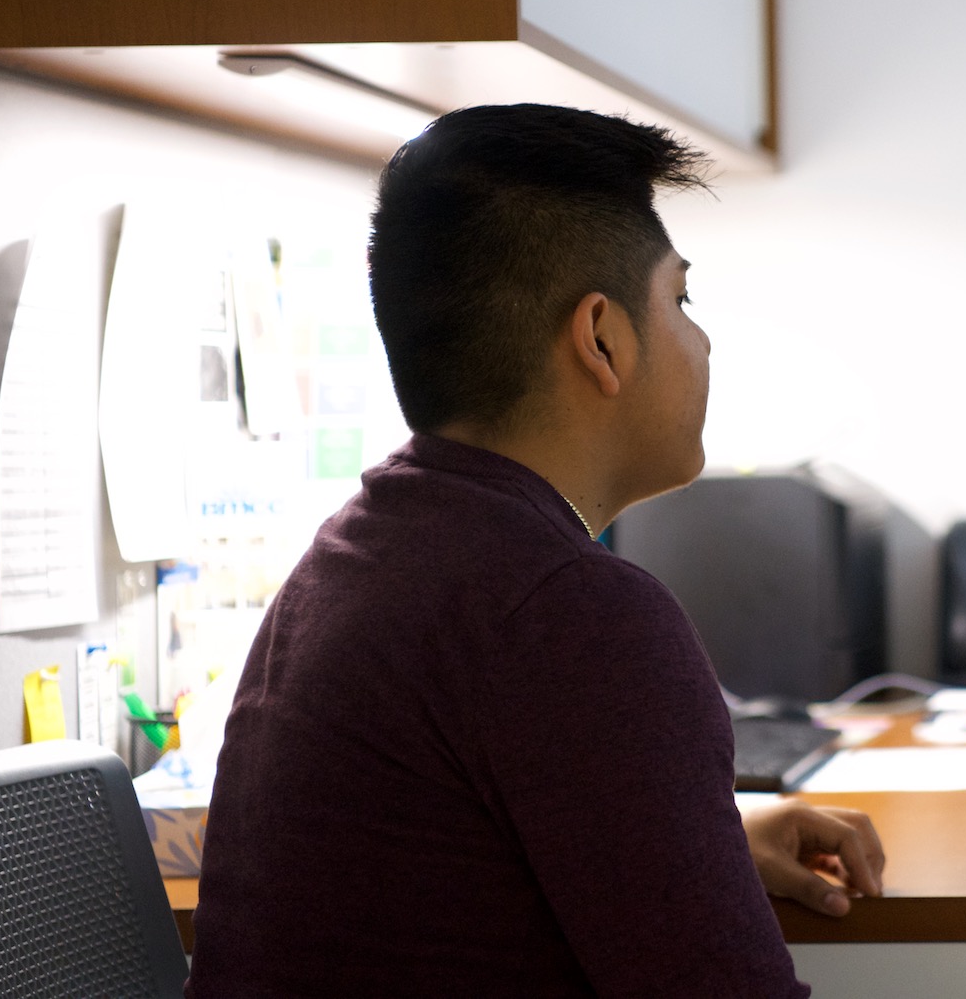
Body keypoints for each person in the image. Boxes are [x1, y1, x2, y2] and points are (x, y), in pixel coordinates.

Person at [189, 105, 883, 997]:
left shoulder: (354, 556)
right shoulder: (571, 615)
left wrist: (696, 849)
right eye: (680, 299)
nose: (701, 340)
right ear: (600, 337)